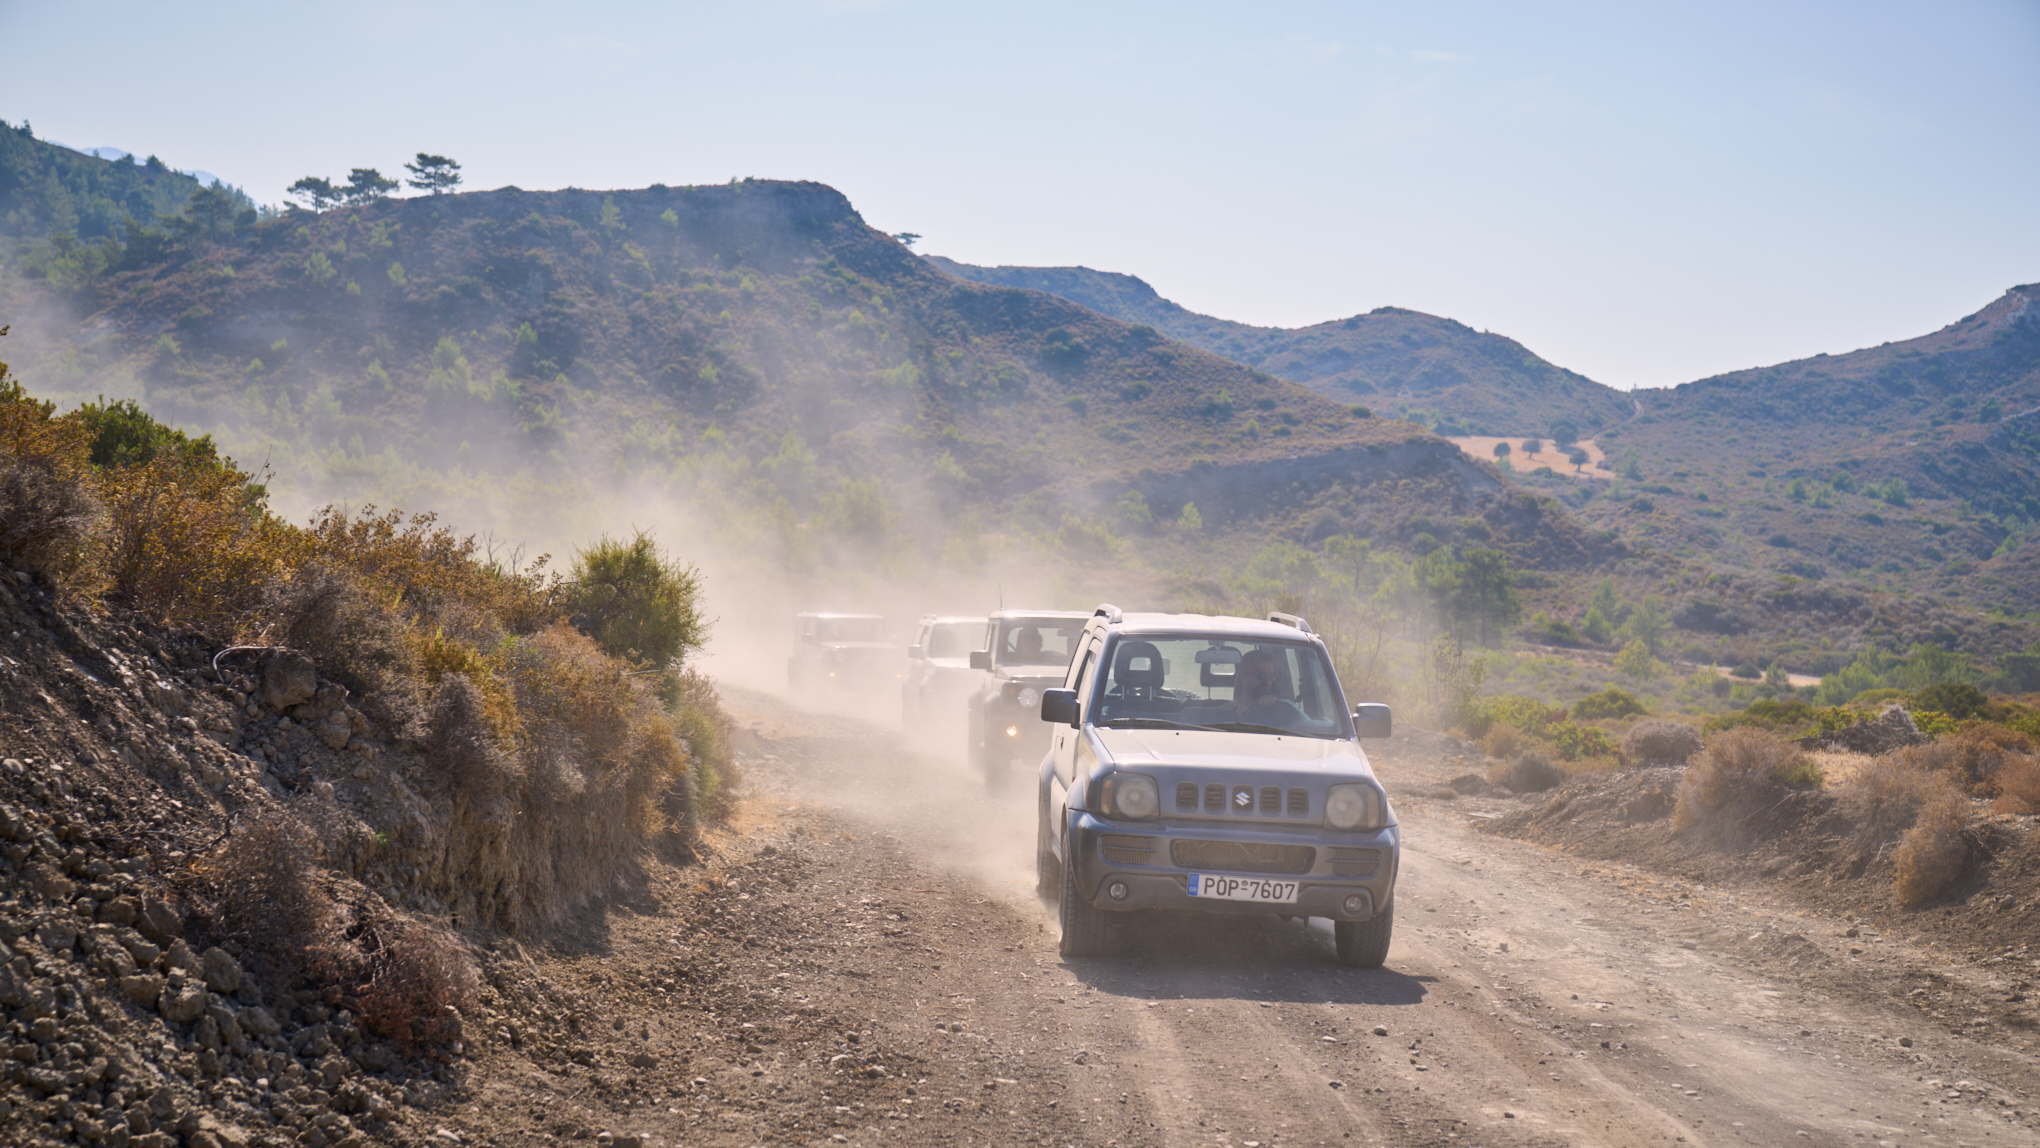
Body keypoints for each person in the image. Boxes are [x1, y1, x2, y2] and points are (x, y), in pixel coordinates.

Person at [1231, 649, 1302, 728]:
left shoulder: (1286, 709)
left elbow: (1309, 726)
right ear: (1243, 676)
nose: (1267, 680)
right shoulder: (1226, 712)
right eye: (1261, 674)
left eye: (1271, 675)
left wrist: (1277, 708)